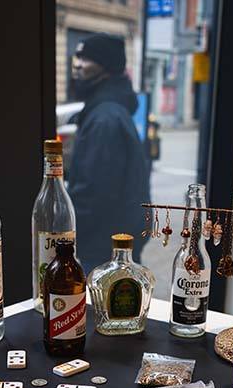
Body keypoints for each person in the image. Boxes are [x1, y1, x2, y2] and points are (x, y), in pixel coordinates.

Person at [67, 33, 150, 271]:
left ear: (106, 67)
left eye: (87, 59)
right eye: (78, 57)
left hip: (101, 251)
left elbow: (93, 193)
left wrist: (65, 235)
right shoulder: (108, 111)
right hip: (111, 246)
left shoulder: (105, 119)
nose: (78, 65)